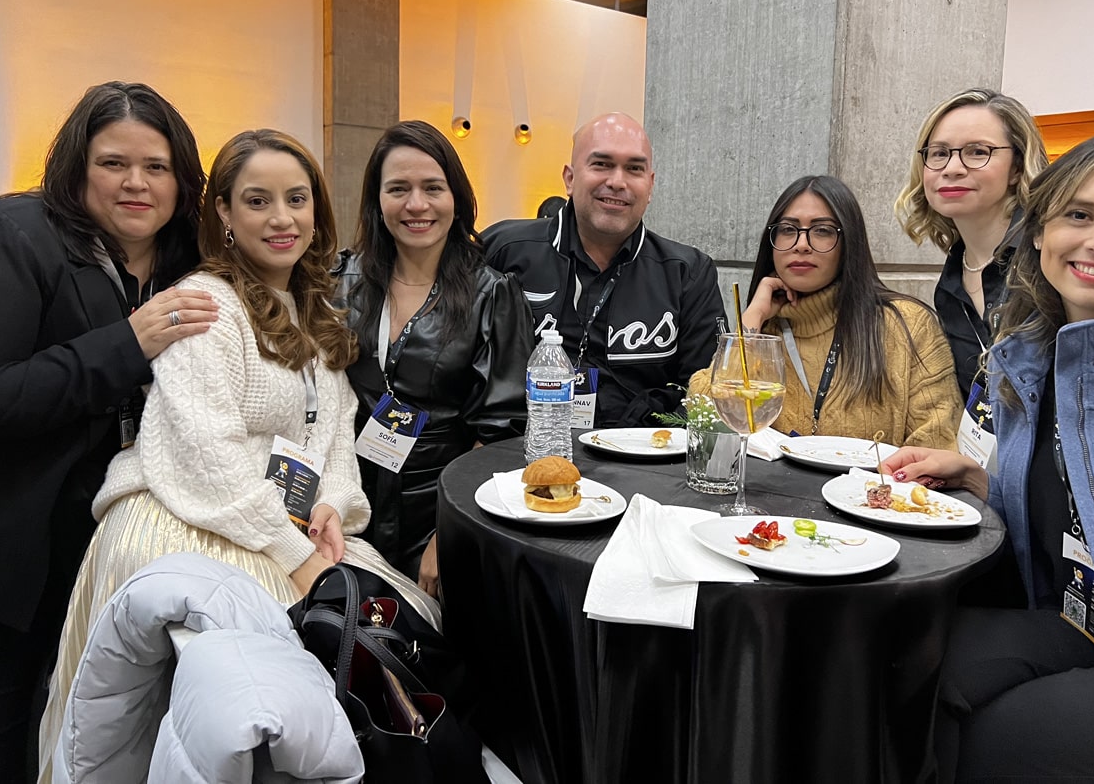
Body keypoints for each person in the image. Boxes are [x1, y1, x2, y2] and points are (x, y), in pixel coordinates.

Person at [39, 129, 439, 779]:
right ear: (223, 212)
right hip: (188, 522)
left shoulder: (313, 307)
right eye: (258, 201)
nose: (282, 219)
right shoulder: (207, 305)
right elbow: (208, 454)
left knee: (391, 636)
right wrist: (297, 557)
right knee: (245, 712)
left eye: (297, 199)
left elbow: (334, 431)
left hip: (276, 525)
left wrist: (333, 505)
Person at [882, 130, 1094, 780]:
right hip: (1077, 621)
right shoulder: (1030, 358)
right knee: (889, 655)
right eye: (1079, 214)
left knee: (1005, 737)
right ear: (1039, 232)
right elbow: (1080, 506)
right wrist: (984, 480)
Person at [0, 81, 215, 784]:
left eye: (157, 166)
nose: (137, 183)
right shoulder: (12, 235)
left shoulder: (187, 262)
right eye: (113, 163)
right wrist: (125, 346)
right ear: (77, 167)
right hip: (3, 574)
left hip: (113, 566)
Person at [336, 120, 532, 595]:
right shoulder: (341, 282)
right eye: (398, 189)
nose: (416, 204)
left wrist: (452, 530)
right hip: (348, 500)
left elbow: (502, 432)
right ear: (377, 200)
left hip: (441, 507)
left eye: (432, 188)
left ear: (456, 198)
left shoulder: (492, 294)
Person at [483, 112, 726, 428]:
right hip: (519, 449)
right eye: (601, 164)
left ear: (650, 186)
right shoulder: (501, 250)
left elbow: (704, 394)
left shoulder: (689, 273)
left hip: (643, 454)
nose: (617, 181)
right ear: (570, 179)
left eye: (634, 169)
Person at [694, 175, 961, 448]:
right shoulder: (766, 328)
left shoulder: (908, 325)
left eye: (822, 231)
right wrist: (753, 319)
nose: (801, 244)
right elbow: (702, 417)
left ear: (848, 243)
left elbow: (937, 442)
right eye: (788, 229)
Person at [895, 88, 1048, 401]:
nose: (952, 168)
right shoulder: (950, 284)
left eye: (978, 152)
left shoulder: (1050, 257)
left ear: (1017, 168)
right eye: (939, 153)